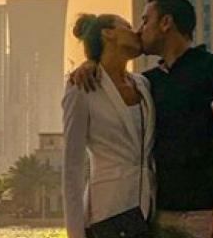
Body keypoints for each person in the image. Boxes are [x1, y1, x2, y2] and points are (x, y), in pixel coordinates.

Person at [71, 0, 213, 238]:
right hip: (159, 216)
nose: (140, 30)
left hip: (206, 215)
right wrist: (90, 64)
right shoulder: (148, 83)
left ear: (166, 23)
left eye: (145, 21)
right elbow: (115, 81)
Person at [62, 13, 155, 238]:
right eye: (128, 27)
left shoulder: (144, 84)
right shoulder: (81, 88)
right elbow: (72, 168)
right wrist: (75, 234)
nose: (137, 32)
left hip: (148, 211)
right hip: (107, 213)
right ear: (108, 33)